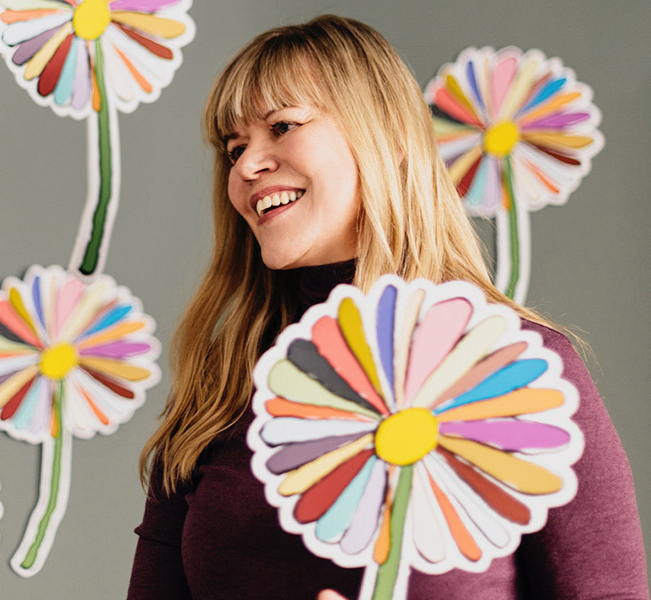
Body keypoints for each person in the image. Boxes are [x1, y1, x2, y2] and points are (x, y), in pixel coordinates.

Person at [127, 15, 648, 600]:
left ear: (391, 137)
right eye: (235, 146)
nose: (247, 166)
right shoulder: (218, 386)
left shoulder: (519, 373)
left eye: (283, 125)